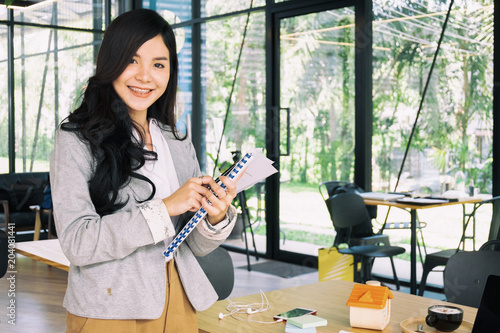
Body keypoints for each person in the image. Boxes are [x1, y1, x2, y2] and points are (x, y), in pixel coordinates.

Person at [50, 9, 238, 332]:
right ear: (111, 62)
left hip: (178, 299)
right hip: (109, 308)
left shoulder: (176, 140)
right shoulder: (76, 139)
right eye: (132, 60)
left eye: (159, 65)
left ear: (170, 72)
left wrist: (214, 216)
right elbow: (77, 242)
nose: (145, 76)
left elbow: (194, 244)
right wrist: (165, 208)